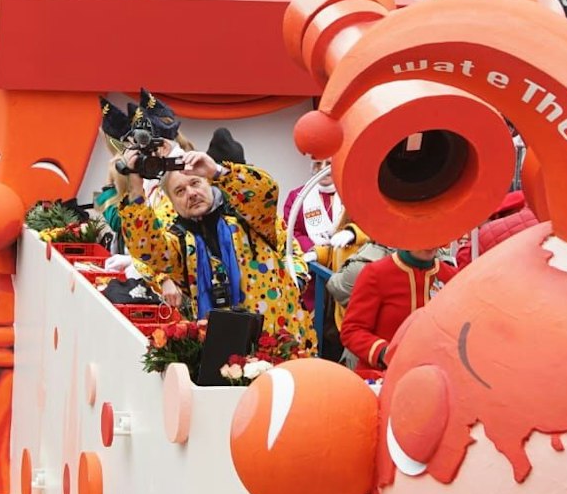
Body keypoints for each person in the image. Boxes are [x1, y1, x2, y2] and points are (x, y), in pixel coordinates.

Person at [118, 148, 315, 348]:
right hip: (224, 350)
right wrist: (135, 189)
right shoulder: (180, 241)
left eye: (195, 183)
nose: (191, 194)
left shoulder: (249, 218)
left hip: (281, 340)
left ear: (209, 183)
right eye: (180, 191)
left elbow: (266, 192)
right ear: (172, 204)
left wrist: (218, 171)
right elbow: (146, 248)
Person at [339, 246, 456, 375]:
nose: (431, 244)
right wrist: (383, 352)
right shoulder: (376, 273)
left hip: (434, 377)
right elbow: (352, 329)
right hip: (382, 375)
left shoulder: (452, 276)